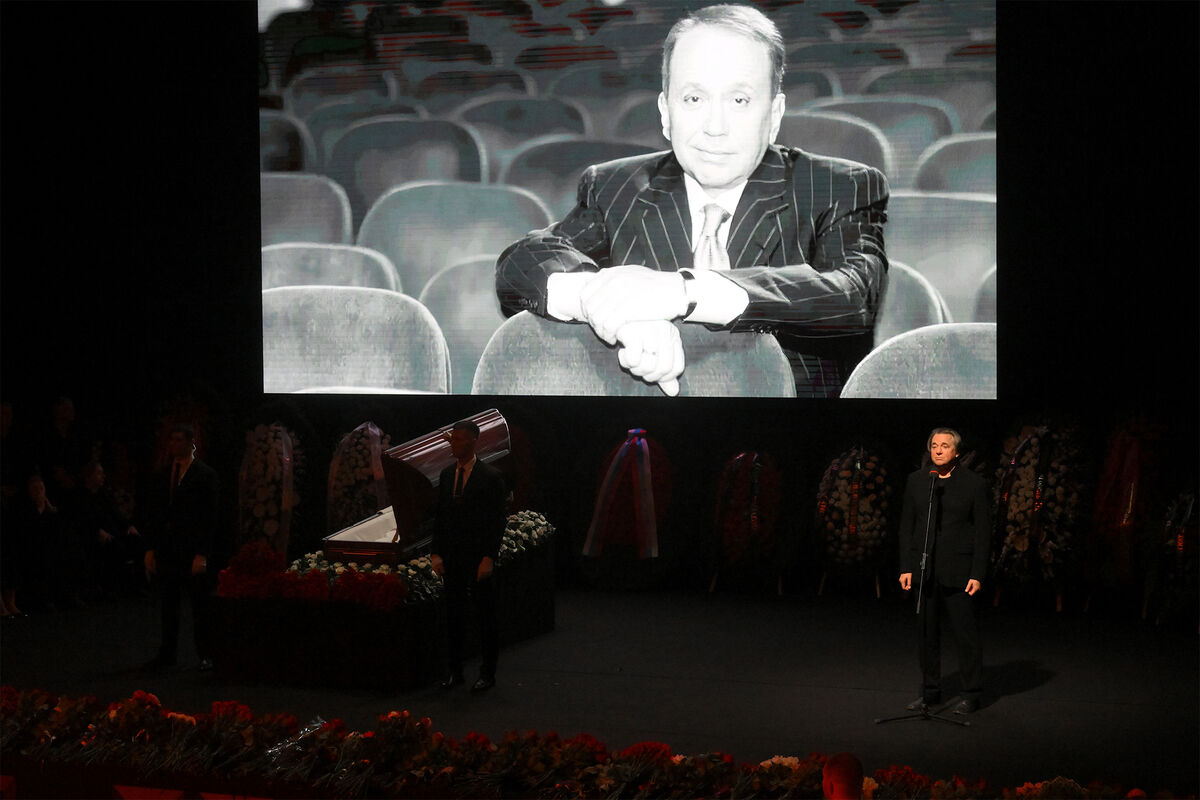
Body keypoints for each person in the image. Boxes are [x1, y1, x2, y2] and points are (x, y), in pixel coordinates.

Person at [496, 3, 888, 398]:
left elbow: (853, 295)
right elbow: (522, 261)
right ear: (666, 113)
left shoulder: (839, 187)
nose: (715, 127)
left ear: (774, 115)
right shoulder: (614, 187)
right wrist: (605, 304)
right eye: (694, 99)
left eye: (739, 100)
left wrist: (681, 292)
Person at [897, 428, 991, 714]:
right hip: (924, 570)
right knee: (926, 635)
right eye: (934, 445)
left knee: (966, 636)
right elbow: (906, 527)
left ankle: (971, 693)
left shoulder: (974, 485)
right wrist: (906, 567)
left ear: (957, 452)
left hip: (960, 572)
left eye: (945, 446)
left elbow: (983, 533)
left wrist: (977, 573)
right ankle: (930, 693)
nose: (938, 450)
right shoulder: (917, 481)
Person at [430, 420, 508, 693]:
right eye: (452, 439)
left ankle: (488, 673)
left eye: (459, 439)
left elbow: (497, 521)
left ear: (474, 441)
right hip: (453, 556)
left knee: (485, 616)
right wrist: (436, 552)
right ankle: (455, 670)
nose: (453, 444)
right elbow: (441, 517)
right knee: (454, 616)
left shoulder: (490, 477)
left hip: (477, 557)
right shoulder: (447, 474)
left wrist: (489, 557)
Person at [142, 423, 219, 671]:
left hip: (191, 547)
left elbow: (209, 517)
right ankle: (167, 653)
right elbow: (155, 514)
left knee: (199, 605)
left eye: (178, 440)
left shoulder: (205, 475)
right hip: (168, 547)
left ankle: (206, 653)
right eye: (171, 440)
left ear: (190, 442)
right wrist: (151, 548)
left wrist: (202, 553)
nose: (174, 444)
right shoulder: (163, 474)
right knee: (168, 603)